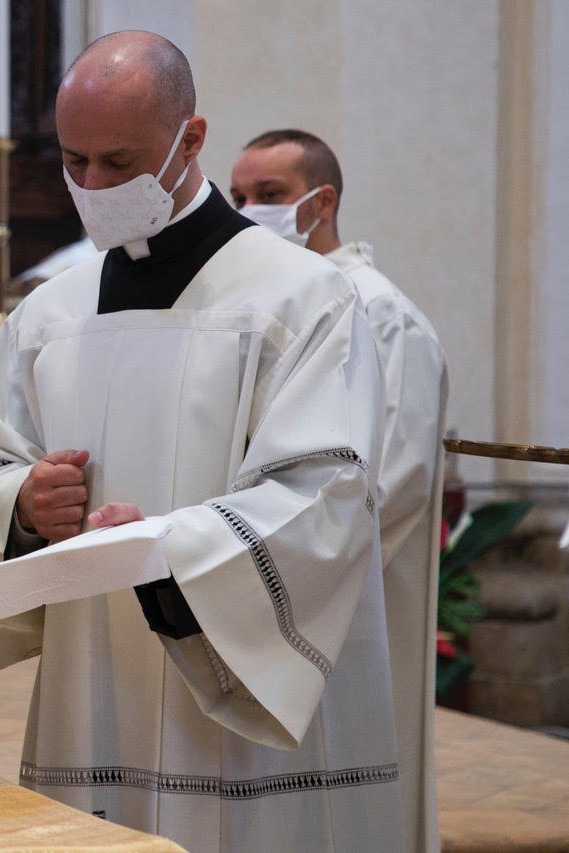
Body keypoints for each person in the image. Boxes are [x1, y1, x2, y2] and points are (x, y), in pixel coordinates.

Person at [0, 31, 402, 850]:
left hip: (236, 710)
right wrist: (23, 503)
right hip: (92, 689)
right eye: (75, 161)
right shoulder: (50, 314)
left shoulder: (302, 299)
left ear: (191, 139)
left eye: (119, 163)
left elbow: (324, 497)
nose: (93, 186)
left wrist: (164, 550)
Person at [231, 128, 448, 852]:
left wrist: (284, 576)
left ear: (322, 202)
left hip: (345, 602)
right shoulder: (271, 305)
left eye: (269, 194)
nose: (247, 211)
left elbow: (397, 481)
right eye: (238, 196)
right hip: (279, 593)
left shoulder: (383, 315)